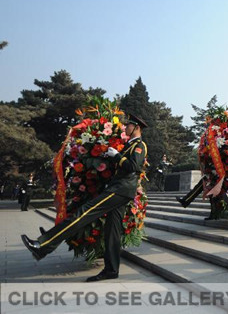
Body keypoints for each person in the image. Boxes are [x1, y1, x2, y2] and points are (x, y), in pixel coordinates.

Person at [21, 114, 148, 282]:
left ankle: (43, 245)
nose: (125, 128)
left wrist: (116, 155)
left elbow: (134, 166)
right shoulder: (128, 145)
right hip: (120, 189)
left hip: (120, 190)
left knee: (83, 213)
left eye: (128, 126)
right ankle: (111, 270)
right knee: (113, 232)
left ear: (136, 128)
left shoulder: (139, 145)